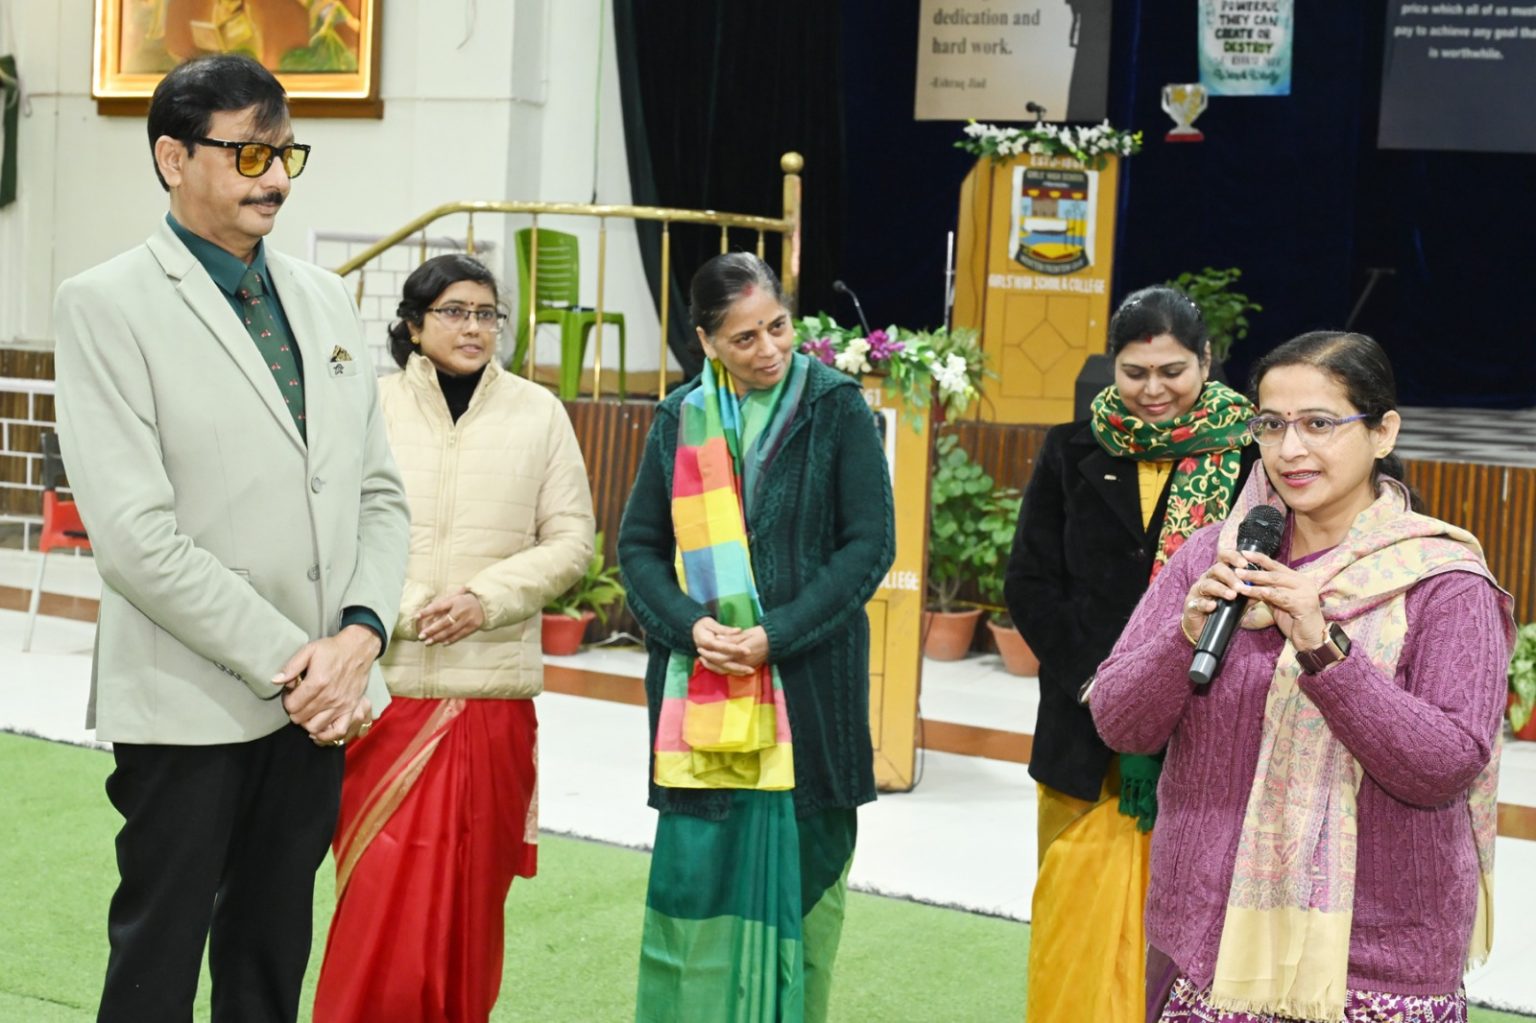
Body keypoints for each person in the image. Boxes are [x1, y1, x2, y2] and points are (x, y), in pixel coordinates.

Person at [51, 54, 409, 1022]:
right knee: (155, 970)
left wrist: (361, 634)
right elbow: (136, 540)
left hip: (319, 703)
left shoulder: (324, 297)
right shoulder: (106, 303)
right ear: (173, 158)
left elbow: (378, 492)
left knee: (268, 964)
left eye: (286, 152)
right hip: (191, 701)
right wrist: (303, 665)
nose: (277, 177)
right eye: (250, 153)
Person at [1091, 331, 1512, 1022]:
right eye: (1271, 424)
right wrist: (1183, 636)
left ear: (1382, 432)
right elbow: (1118, 721)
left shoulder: (1444, 582)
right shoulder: (1217, 556)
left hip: (1375, 961)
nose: (1290, 449)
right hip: (1206, 943)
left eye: (1319, 423)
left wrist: (1322, 648)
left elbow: (1443, 766)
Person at [312, 254, 595, 1021]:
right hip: (387, 691)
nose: (474, 327)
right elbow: (333, 527)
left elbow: (572, 539)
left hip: (490, 699)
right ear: (413, 324)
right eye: (454, 311)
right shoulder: (368, 407)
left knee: (470, 906)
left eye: (486, 313)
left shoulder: (539, 413)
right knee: (377, 900)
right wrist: (402, 607)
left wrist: (484, 599)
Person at [618, 253, 895, 1022]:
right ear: (706, 342)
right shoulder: (680, 419)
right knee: (697, 887)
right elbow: (638, 547)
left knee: (807, 892)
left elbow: (869, 545)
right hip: (701, 700)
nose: (769, 348)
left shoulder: (835, 407)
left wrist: (776, 634)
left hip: (810, 700)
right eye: (744, 338)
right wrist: (690, 626)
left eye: (778, 326)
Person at [1003, 286, 1256, 1023]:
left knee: (1188, 939)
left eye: (1172, 371)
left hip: (1206, 729)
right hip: (1084, 733)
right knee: (1074, 932)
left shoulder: (1252, 458)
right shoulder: (1072, 448)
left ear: (1206, 360)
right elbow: (1030, 584)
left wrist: (1166, 690)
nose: (1153, 390)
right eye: (1135, 372)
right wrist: (1109, 689)